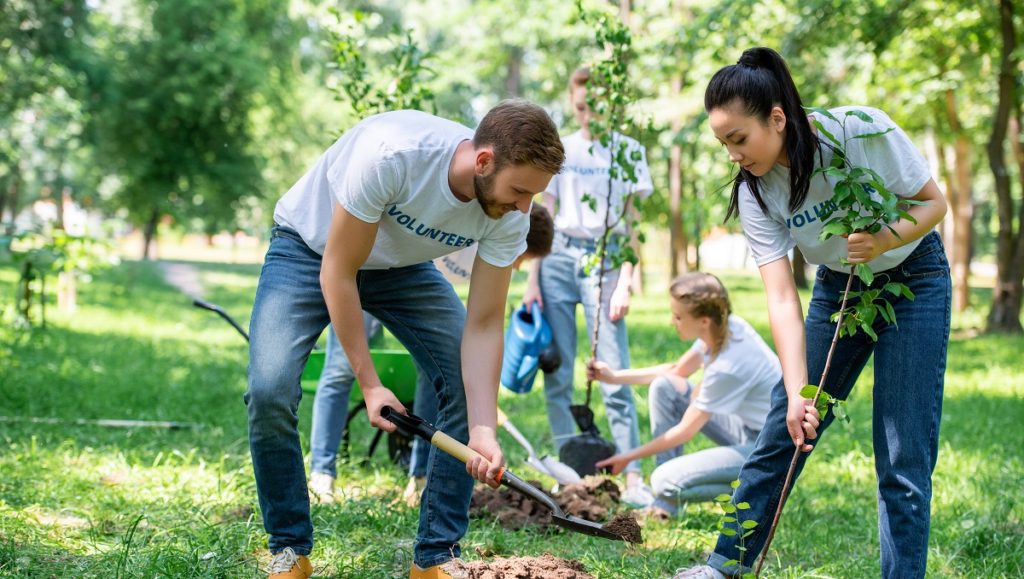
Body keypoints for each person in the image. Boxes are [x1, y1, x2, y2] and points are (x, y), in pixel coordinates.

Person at [246, 100, 564, 579]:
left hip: (400, 268)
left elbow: (481, 325)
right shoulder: (394, 155)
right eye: (519, 190)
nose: (524, 207)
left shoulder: (514, 214)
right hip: (310, 251)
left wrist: (483, 429)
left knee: (459, 376)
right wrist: (371, 383)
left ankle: (436, 557)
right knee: (269, 390)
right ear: (482, 162)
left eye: (533, 196)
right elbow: (339, 270)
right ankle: (290, 549)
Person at [673, 47, 950, 579]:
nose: (733, 154)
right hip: (840, 289)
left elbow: (933, 204)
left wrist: (884, 238)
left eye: (739, 139)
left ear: (776, 118)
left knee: (902, 450)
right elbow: (780, 294)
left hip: (916, 279)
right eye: (723, 143)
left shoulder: (859, 132)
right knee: (785, 427)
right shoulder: (755, 189)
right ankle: (723, 566)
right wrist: (800, 392)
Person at [307, 205, 555, 508]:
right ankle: (321, 472)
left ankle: (420, 475)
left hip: (410, 286)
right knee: (341, 366)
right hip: (366, 267)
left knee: (431, 368)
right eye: (523, 258)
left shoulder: (492, 249)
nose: (517, 268)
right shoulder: (473, 225)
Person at [523, 67, 654, 506]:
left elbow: (634, 223)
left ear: (611, 102)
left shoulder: (628, 152)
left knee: (613, 368)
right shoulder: (563, 149)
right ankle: (567, 471)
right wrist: (532, 281)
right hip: (559, 254)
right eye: (580, 105)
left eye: (596, 104)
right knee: (557, 369)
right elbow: (544, 213)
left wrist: (626, 281)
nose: (587, 113)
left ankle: (632, 471)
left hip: (607, 256)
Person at [589, 272, 781, 517]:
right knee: (664, 386)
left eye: (678, 317)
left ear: (704, 320)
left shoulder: (728, 366)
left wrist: (627, 457)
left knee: (663, 480)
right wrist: (613, 376)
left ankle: (766, 490)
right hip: (746, 428)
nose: (672, 322)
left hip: (768, 449)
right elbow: (676, 372)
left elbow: (683, 432)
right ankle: (664, 506)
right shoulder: (726, 326)